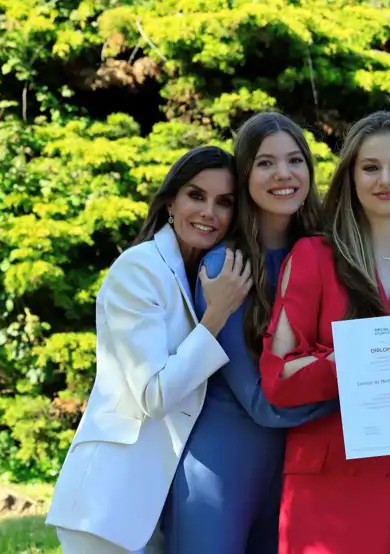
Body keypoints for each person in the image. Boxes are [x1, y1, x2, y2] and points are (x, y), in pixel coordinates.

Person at [161, 112, 390, 554]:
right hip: (241, 461)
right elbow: (267, 395)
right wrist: (371, 370)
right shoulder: (249, 264)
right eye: (265, 163)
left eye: (294, 160)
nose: (283, 174)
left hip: (389, 476)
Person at [259, 111, 390, 554]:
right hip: (328, 489)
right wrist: (362, 358)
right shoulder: (313, 257)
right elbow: (277, 379)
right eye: (370, 167)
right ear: (350, 177)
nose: (385, 179)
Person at [45, 146, 253, 554]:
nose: (209, 211)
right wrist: (217, 316)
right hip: (108, 506)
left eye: (224, 202)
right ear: (171, 202)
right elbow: (152, 395)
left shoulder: (202, 272)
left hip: (162, 508)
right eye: (196, 195)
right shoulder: (139, 269)